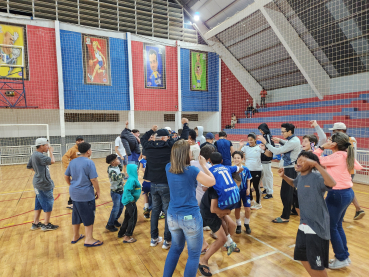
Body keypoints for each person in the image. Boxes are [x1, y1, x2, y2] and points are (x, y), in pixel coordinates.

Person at [278, 151, 336, 277]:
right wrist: (284, 177)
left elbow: (332, 183)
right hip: (303, 224)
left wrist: (317, 165)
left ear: (311, 165)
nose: (299, 162)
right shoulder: (300, 177)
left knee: (316, 263)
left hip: (317, 227)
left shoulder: (317, 177)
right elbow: (294, 183)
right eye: (299, 159)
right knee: (302, 256)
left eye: (304, 161)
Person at [163, 140, 216, 277]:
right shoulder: (192, 170)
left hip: (172, 216)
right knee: (193, 255)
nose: (192, 151)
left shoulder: (168, 167)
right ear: (185, 153)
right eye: (189, 150)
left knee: (175, 248)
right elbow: (212, 182)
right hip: (190, 217)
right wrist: (204, 165)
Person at [313, 132, 363, 269]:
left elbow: (314, 159)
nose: (327, 140)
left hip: (337, 194)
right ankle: (343, 256)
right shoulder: (346, 154)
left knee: (331, 227)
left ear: (334, 144)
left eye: (330, 140)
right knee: (337, 226)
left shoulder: (338, 156)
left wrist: (321, 147)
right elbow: (358, 166)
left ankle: (341, 257)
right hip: (347, 193)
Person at [141, 118, 189, 249]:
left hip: (153, 184)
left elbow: (142, 138)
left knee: (155, 211)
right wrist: (185, 124)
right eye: (168, 137)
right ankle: (167, 241)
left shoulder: (148, 147)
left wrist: (152, 130)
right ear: (164, 138)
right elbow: (184, 138)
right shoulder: (170, 146)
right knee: (168, 212)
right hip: (167, 184)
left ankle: (154, 238)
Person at [257, 123, 301, 223]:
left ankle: (285, 216)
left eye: (283, 132)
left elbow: (277, 151)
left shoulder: (293, 141)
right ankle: (295, 209)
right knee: (293, 192)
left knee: (285, 194)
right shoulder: (293, 139)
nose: (282, 133)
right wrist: (279, 140)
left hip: (289, 169)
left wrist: (266, 143)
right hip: (290, 168)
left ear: (290, 131)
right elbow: (287, 143)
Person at [64, 142, 103, 247]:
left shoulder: (72, 162)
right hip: (85, 194)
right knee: (88, 215)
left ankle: (75, 236)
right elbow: (93, 179)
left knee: (76, 214)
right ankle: (89, 239)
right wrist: (98, 190)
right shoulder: (89, 162)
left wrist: (73, 185)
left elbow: (66, 176)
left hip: (74, 193)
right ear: (88, 151)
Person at [328, 122, 365, 220]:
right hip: (350, 166)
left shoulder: (343, 141)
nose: (333, 133)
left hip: (343, 167)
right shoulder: (352, 139)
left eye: (335, 131)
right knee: (347, 189)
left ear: (342, 131)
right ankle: (357, 209)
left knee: (343, 190)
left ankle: (355, 209)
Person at [27, 138, 59, 231]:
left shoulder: (34, 154)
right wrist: (51, 152)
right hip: (43, 184)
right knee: (48, 202)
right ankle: (46, 224)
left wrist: (38, 172)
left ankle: (36, 223)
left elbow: (29, 166)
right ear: (41, 146)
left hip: (37, 183)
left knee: (39, 203)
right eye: (46, 145)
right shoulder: (39, 155)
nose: (48, 147)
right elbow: (52, 161)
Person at [117, 164, 141, 243]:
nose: (137, 171)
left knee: (127, 217)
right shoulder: (132, 180)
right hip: (130, 202)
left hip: (128, 202)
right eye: (136, 170)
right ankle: (127, 236)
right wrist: (131, 199)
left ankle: (122, 233)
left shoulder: (133, 179)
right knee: (133, 218)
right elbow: (127, 190)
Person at [240, 133, 265, 210]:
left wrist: (265, 147)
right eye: (248, 140)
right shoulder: (245, 148)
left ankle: (258, 203)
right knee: (247, 186)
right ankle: (251, 200)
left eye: (251, 140)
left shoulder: (259, 147)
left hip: (257, 170)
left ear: (255, 140)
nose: (250, 141)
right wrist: (241, 145)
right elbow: (236, 154)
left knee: (256, 187)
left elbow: (267, 154)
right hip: (247, 170)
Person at [232, 151, 252, 234]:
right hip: (236, 192)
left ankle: (247, 224)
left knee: (247, 208)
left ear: (242, 159)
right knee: (237, 208)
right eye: (235, 158)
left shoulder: (246, 169)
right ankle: (238, 225)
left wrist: (248, 189)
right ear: (233, 159)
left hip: (244, 190)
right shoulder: (231, 169)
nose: (236, 159)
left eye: (238, 158)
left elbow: (248, 180)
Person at [62, 136, 84, 209]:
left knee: (79, 186)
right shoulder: (73, 149)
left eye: (81, 140)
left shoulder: (84, 149)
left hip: (82, 170)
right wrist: (68, 167)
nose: (80, 142)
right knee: (76, 186)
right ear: (76, 142)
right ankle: (71, 202)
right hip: (75, 171)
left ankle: (75, 202)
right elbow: (65, 157)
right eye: (78, 140)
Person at [105, 154, 125, 232]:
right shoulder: (111, 170)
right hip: (115, 192)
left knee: (121, 207)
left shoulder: (116, 166)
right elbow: (114, 178)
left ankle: (115, 220)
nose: (118, 160)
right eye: (117, 159)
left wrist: (120, 163)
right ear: (113, 162)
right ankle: (109, 224)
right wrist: (123, 175)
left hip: (121, 190)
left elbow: (120, 167)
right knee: (116, 208)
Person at [258, 123, 274, 199]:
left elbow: (270, 147)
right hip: (263, 159)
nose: (260, 131)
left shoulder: (268, 136)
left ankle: (270, 192)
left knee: (268, 176)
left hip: (267, 159)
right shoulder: (264, 136)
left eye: (261, 130)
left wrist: (266, 151)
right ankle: (266, 189)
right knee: (263, 176)